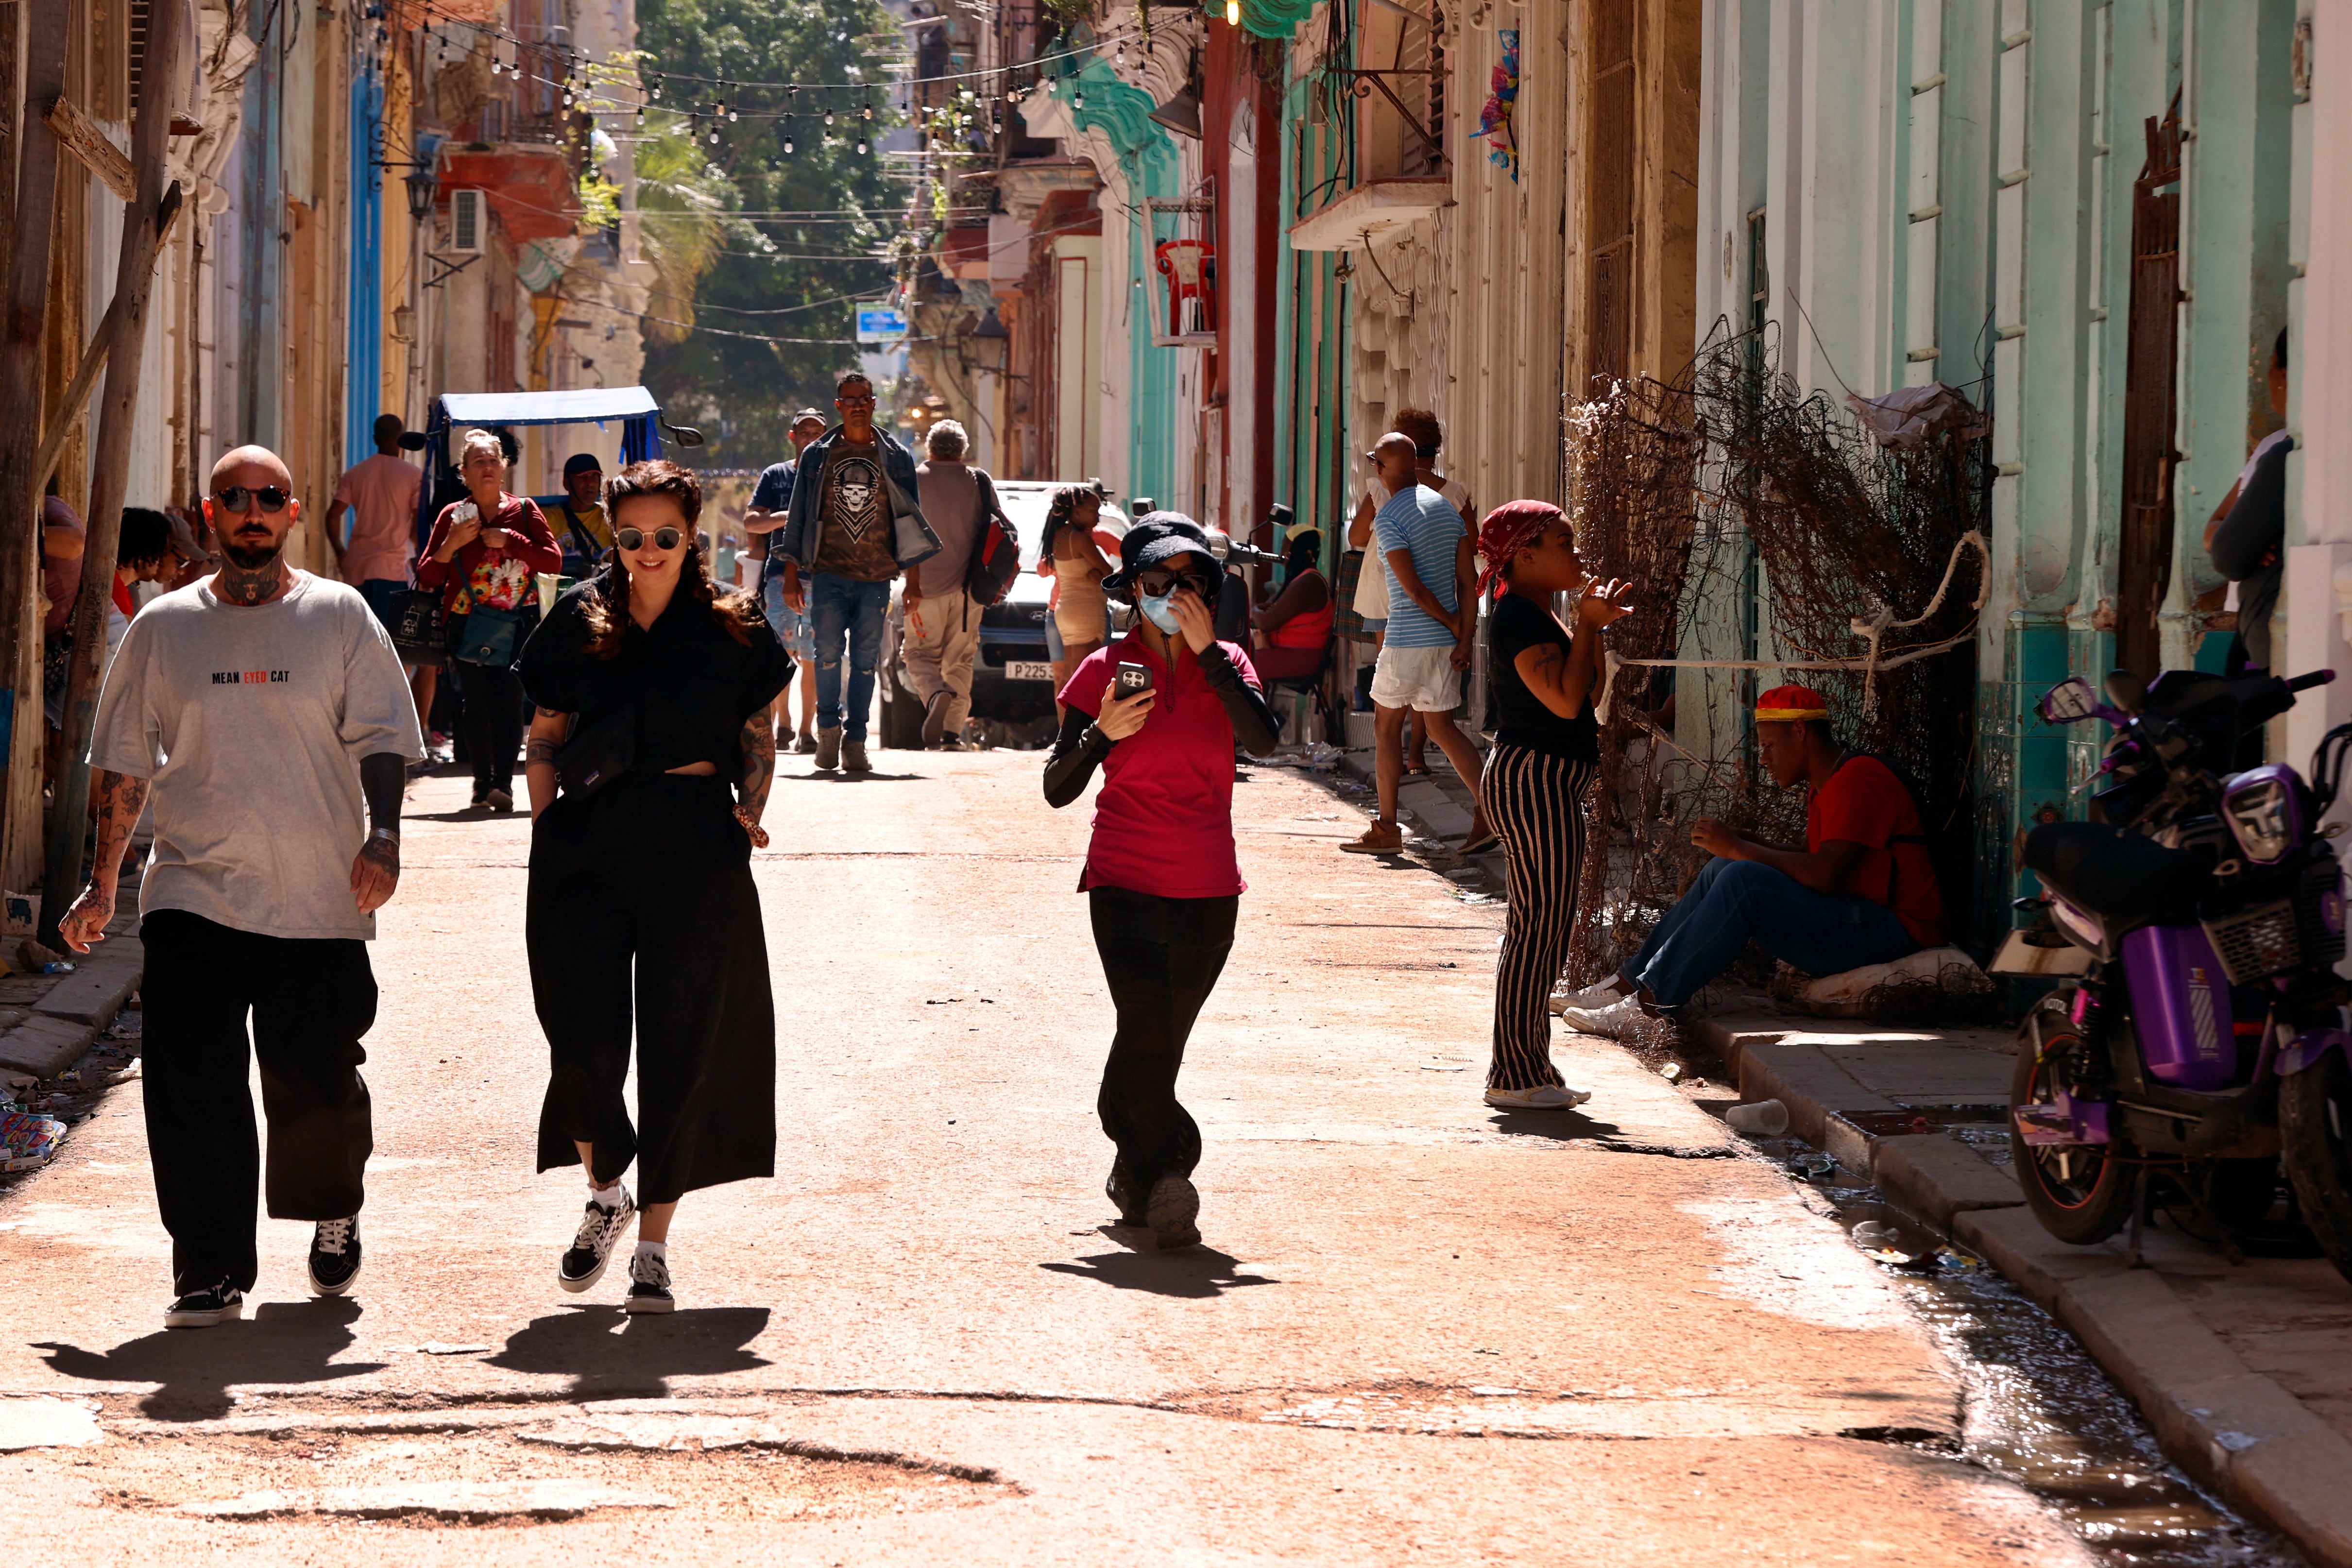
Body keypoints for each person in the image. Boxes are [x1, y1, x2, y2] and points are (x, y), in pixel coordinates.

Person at [58, 443, 424, 1329]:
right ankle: (209, 1267)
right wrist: (103, 884)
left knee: (315, 1080)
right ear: (208, 514)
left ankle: (332, 1202)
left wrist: (383, 836)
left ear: (295, 512)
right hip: (194, 891)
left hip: (320, 893)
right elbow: (126, 768)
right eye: (235, 498)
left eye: (270, 496)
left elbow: (382, 738)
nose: (253, 510)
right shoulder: (163, 628)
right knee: (190, 1083)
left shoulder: (338, 615)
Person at [519, 460, 791, 1312]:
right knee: (580, 1043)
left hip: (695, 843)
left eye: (664, 537)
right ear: (612, 534)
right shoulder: (579, 619)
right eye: (630, 536)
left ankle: (653, 1246)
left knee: (684, 1042)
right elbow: (545, 733)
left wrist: (751, 807)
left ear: (692, 534)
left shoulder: (733, 626)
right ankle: (607, 1189)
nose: (646, 552)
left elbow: (758, 732)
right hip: (588, 842)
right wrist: (544, 828)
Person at [1042, 514, 1281, 1250]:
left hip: (1210, 890)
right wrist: (1099, 733)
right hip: (1125, 880)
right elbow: (1057, 787)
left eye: (1189, 584)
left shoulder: (1231, 662)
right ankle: (1169, 1172)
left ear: (1208, 595)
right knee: (1145, 1028)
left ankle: (1133, 1172)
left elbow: (1265, 741)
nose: (1171, 597)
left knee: (1155, 1050)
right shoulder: (1101, 669)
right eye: (1156, 584)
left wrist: (1210, 655)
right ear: (1132, 591)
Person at [1562, 685, 1943, 1036]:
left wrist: (1744, 850)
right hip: (1860, 917)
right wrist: (1756, 845)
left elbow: (1826, 875)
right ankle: (1628, 984)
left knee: (1742, 876)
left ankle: (1648, 1008)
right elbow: (1820, 858)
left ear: (1799, 732)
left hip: (1897, 931)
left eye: (1769, 746)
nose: (1764, 759)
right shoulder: (1830, 782)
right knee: (1722, 869)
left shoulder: (1857, 779)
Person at [1472, 503, 1633, 1109]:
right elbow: (1567, 704)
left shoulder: (1539, 613)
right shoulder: (1517, 616)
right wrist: (1588, 627)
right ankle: (1514, 1076)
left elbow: (1585, 691)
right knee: (1536, 930)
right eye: (1563, 542)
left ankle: (1529, 1064)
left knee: (1544, 928)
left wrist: (1592, 624)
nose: (1576, 551)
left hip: (1548, 779)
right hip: (1534, 778)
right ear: (1525, 554)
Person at [774, 372, 942, 773]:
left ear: (872, 403)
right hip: (829, 573)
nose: (856, 405)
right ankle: (828, 731)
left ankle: (857, 739)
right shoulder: (817, 455)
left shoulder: (896, 456)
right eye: (849, 400)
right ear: (839, 406)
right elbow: (798, 514)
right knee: (828, 655)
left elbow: (911, 520)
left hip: (876, 576)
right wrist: (792, 574)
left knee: (866, 661)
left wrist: (914, 582)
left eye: (863, 398)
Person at [1342, 433, 1495, 856]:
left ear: (1380, 468)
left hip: (1408, 640)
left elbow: (1412, 589)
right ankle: (1494, 811)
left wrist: (1449, 622)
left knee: (1387, 727)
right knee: (1443, 729)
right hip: (1446, 646)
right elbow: (1469, 583)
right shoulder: (1448, 511)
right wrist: (1462, 636)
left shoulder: (1389, 518)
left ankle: (1387, 828)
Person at [417, 428, 561, 810]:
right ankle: (481, 785)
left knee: (509, 702)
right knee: (475, 703)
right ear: (464, 471)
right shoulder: (453, 515)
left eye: (493, 460)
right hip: (466, 622)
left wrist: (510, 540)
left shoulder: (526, 511)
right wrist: (453, 544)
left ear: (505, 467)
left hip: (518, 622)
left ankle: (504, 786)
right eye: (478, 461)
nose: (487, 467)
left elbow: (553, 561)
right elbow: (429, 576)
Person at [1346, 409, 1472, 758]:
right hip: (1441, 596)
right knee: (1430, 688)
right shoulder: (1454, 493)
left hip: (1384, 590)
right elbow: (1472, 546)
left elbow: (1356, 537)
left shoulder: (1383, 488)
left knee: (1393, 688)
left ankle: (1394, 774)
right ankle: (1417, 753)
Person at [324, 413, 435, 747]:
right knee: (397, 651)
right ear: (402, 439)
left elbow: (333, 517)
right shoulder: (413, 476)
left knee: (359, 648)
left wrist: (342, 553)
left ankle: (361, 721)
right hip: (392, 570)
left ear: (374, 437)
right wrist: (422, 561)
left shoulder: (356, 474)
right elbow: (418, 524)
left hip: (358, 569)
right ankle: (398, 727)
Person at [905, 419, 1006, 749]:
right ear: (963, 450)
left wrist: (908, 582)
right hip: (968, 592)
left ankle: (936, 693)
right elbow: (1001, 530)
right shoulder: (978, 481)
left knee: (918, 655)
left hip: (922, 588)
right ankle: (951, 734)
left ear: (930, 448)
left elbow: (903, 533)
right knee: (960, 660)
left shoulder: (914, 480)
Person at [2206, 328, 2292, 677]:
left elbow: (2227, 553)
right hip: (2246, 620)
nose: (2268, 378)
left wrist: (2238, 541)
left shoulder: (2289, 454)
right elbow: (2216, 527)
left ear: (2285, 375)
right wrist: (2244, 540)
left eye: (2271, 366)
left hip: (2275, 627)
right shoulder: (2271, 445)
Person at [745, 408, 828, 752]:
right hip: (779, 578)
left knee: (813, 656)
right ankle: (784, 725)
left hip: (823, 578)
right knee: (782, 655)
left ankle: (807, 731)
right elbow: (752, 522)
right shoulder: (775, 475)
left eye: (817, 433)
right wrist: (784, 519)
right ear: (792, 437)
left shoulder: (834, 476)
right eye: (804, 432)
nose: (810, 438)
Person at [1039, 484, 1116, 714]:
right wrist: (1100, 573)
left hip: (1065, 609)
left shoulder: (1060, 535)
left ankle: (1065, 735)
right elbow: (1109, 571)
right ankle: (1076, 736)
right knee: (1086, 677)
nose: (1098, 515)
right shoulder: (1080, 538)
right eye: (1093, 510)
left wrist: (1097, 573)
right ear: (1077, 512)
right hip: (1085, 612)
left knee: (1069, 676)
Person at [1248, 529, 1333, 683]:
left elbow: (1267, 622)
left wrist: (1254, 610)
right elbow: (1270, 608)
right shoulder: (1301, 579)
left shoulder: (1308, 583)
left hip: (1298, 658)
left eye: (1286, 548)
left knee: (1235, 665)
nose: (1282, 553)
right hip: (1286, 654)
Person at [550, 452, 614, 579]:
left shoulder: (612, 518)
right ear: (567, 484)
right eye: (582, 477)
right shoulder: (548, 518)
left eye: (595, 477)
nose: (590, 483)